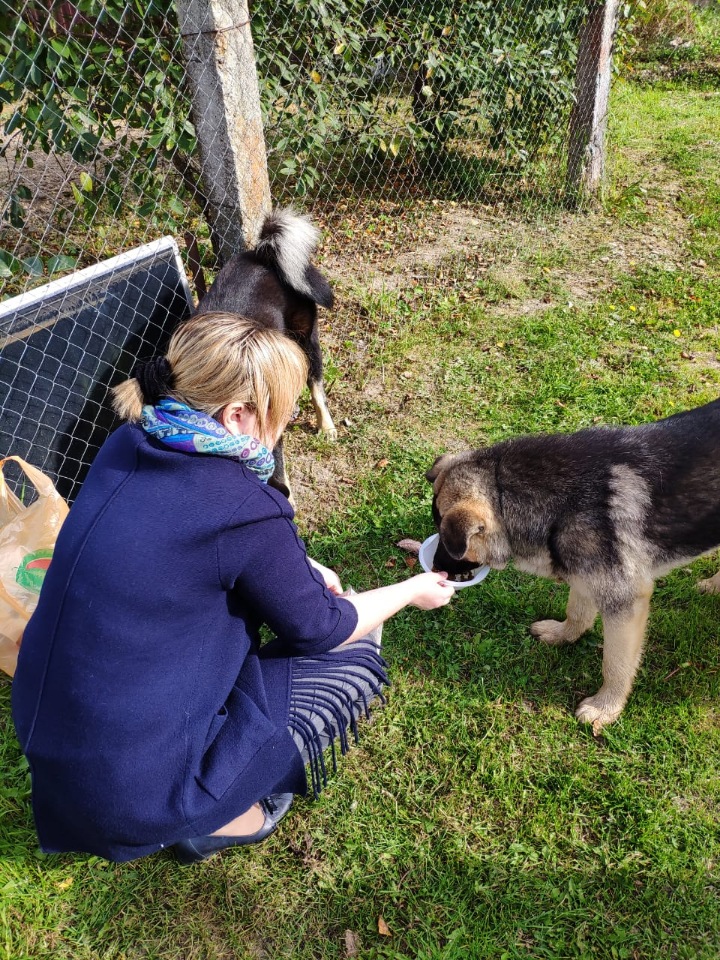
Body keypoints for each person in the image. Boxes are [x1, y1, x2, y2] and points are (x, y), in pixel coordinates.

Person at [11, 312, 454, 864]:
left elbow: (201, 542)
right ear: (238, 415)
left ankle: (189, 798)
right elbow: (321, 627)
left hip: (50, 741)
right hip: (132, 796)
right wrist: (412, 589)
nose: (287, 426)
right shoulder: (245, 506)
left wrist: (298, 564)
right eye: (284, 416)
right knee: (361, 641)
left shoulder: (127, 441)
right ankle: (214, 819)